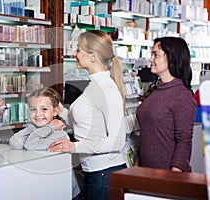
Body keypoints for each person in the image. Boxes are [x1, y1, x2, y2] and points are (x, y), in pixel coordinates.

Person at [49, 30, 127, 200]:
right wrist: (58, 109)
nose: (74, 53)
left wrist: (74, 147)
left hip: (105, 173)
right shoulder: (93, 86)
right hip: (95, 172)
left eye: (78, 50)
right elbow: (82, 121)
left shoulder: (107, 89)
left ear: (92, 56)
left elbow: (117, 141)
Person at [136, 36, 196, 172]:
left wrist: (174, 176)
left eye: (155, 55)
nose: (150, 59)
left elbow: (184, 140)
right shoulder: (156, 89)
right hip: (147, 172)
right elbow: (147, 136)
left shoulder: (181, 95)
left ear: (171, 58)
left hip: (166, 174)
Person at [9, 87, 80, 199]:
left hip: (64, 190)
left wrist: (50, 127)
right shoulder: (35, 129)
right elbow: (14, 142)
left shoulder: (60, 135)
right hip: (45, 186)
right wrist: (32, 127)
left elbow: (31, 145)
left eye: (44, 109)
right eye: (33, 109)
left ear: (55, 111)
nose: (38, 114)